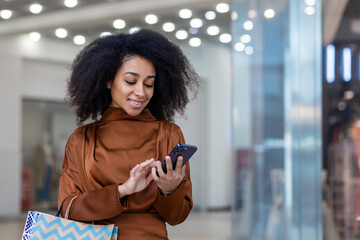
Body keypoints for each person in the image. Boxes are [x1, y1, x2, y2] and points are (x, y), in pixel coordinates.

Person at [58, 28, 199, 239]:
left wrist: (169, 190)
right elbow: (69, 209)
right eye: (130, 81)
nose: (141, 92)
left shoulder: (168, 134)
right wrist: (122, 191)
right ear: (108, 80)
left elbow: (177, 217)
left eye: (149, 83)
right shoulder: (82, 139)